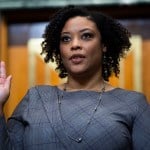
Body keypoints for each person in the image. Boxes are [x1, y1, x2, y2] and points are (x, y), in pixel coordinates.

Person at [0, 5, 150, 150]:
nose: (75, 44)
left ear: (104, 44)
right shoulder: (35, 97)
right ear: (59, 49)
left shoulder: (133, 104)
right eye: (66, 39)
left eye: (86, 36)